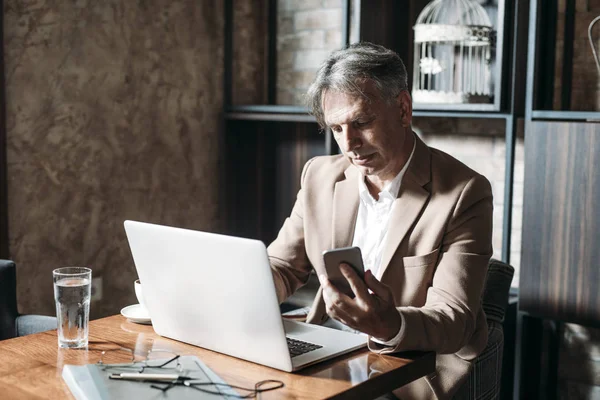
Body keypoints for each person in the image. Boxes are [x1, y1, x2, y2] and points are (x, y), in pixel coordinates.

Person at [268, 42, 493, 399]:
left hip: (408, 369)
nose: (349, 143)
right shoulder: (319, 176)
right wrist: (235, 292)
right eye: (336, 128)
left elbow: (455, 321)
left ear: (403, 109)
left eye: (361, 122)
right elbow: (282, 265)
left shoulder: (464, 192)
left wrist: (389, 324)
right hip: (327, 350)